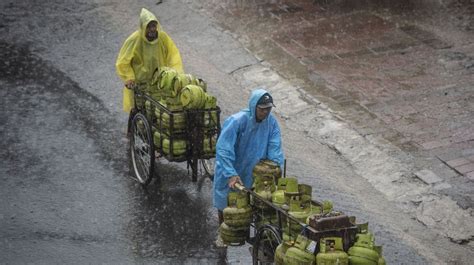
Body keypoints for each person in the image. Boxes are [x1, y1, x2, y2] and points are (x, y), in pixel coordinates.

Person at [213, 88, 285, 246]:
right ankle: (223, 234)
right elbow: (224, 148)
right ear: (254, 107)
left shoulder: (271, 123)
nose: (265, 112)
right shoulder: (237, 121)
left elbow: (275, 147)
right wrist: (231, 173)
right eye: (262, 109)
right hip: (232, 167)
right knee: (226, 203)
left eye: (268, 109)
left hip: (255, 171)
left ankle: (257, 238)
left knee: (255, 203)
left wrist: (275, 169)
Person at [115, 8, 184, 130]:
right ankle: (131, 134)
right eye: (149, 26)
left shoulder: (162, 37)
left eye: (154, 26)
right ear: (143, 27)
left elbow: (173, 55)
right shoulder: (134, 40)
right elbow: (123, 62)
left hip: (159, 82)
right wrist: (129, 77)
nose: (152, 30)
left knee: (159, 111)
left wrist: (176, 73)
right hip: (140, 84)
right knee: (138, 109)